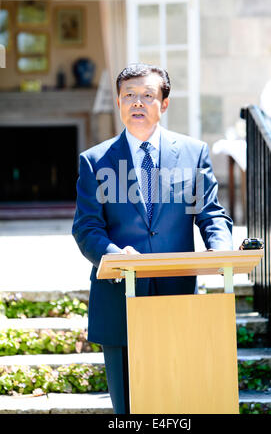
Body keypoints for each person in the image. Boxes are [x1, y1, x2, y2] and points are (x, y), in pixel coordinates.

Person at [72, 63, 233, 414]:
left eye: (147, 95)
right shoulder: (95, 161)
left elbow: (210, 213)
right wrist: (114, 254)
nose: (137, 103)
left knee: (179, 403)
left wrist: (220, 250)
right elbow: (86, 228)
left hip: (177, 296)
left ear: (164, 103)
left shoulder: (193, 153)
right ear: (118, 102)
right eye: (128, 95)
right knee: (128, 410)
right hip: (119, 298)